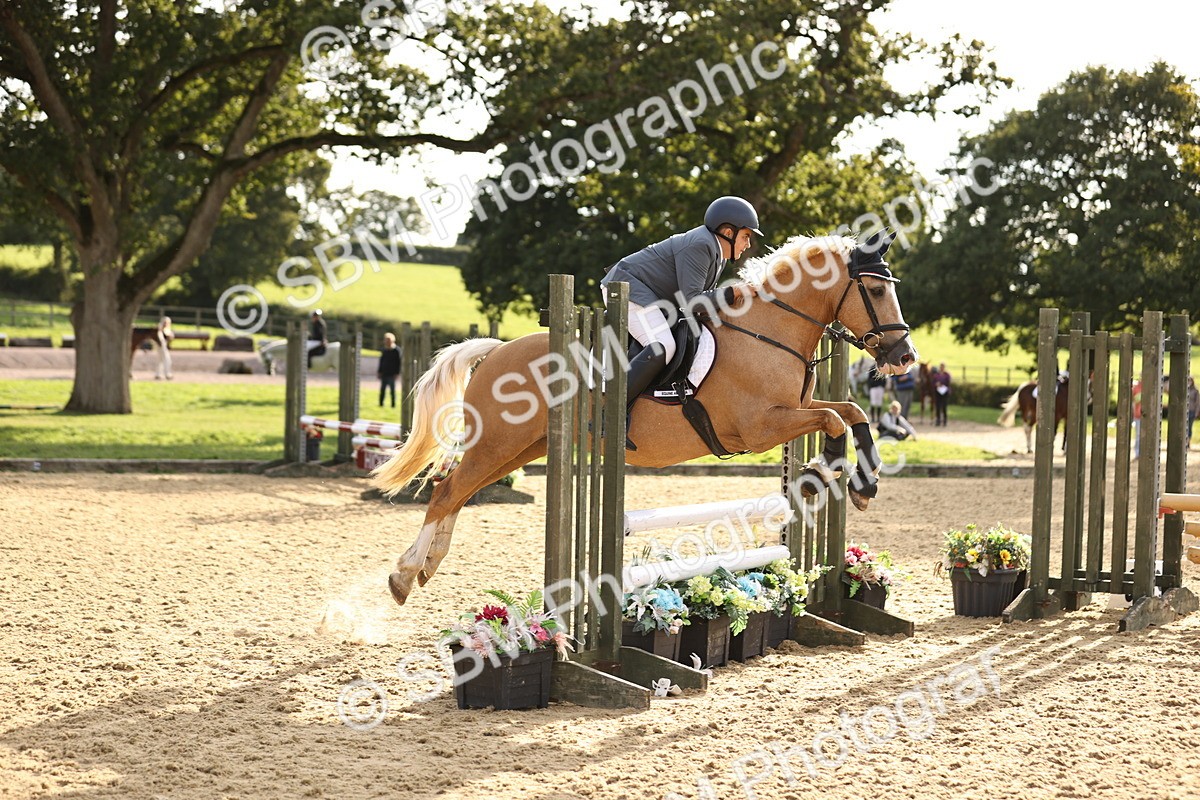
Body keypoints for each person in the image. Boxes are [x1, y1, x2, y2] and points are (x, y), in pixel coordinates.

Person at [600, 196, 760, 410]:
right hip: (626, 288)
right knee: (663, 346)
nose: (748, 244)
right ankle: (610, 411)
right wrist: (733, 292)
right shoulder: (701, 244)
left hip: (650, 297)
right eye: (746, 236)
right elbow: (692, 302)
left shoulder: (718, 253)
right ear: (728, 233)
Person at [378, 332, 401, 408]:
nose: (387, 342)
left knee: (392, 391)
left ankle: (393, 405)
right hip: (384, 373)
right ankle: (381, 404)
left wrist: (397, 373)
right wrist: (379, 371)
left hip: (392, 374)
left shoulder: (396, 351)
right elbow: (381, 362)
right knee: (382, 390)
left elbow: (398, 363)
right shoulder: (384, 350)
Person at [154, 316, 174, 380]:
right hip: (161, 347)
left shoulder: (167, 329)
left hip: (164, 346)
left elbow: (171, 337)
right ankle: (167, 374)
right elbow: (160, 339)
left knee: (161, 360)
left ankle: (158, 374)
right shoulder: (160, 329)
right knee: (166, 360)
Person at [1187, 376, 1199, 450]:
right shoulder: (1185, 390)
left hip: (1192, 411)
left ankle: (1188, 442)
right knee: (1185, 427)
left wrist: (1196, 412)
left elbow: (1198, 403)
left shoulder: (1195, 391)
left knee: (1189, 427)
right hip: (1186, 411)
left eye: (1190, 381)